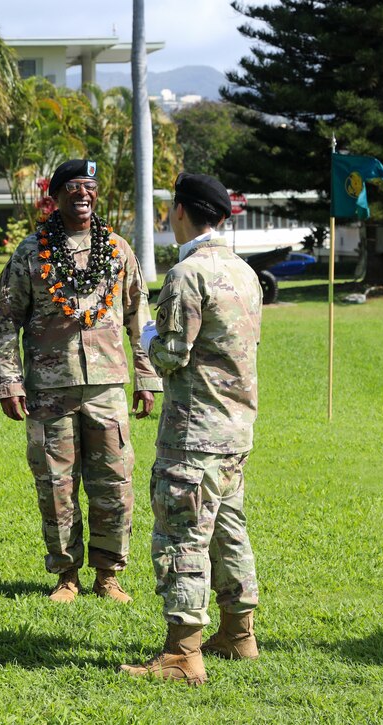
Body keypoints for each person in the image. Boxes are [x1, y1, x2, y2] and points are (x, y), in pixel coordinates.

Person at [0, 159, 162, 603]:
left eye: (90, 187)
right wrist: (8, 382)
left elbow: (139, 317)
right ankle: (66, 575)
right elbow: (7, 320)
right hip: (50, 388)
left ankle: (109, 574)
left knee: (114, 483)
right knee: (55, 485)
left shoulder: (118, 249)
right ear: (55, 196)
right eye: (73, 188)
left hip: (107, 388)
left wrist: (147, 376)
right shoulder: (31, 251)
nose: (83, 195)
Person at [120, 173, 262, 685]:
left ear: (181, 211)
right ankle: (238, 633)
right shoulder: (243, 272)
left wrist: (149, 335)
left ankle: (182, 654)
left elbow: (171, 357)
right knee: (228, 531)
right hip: (234, 429)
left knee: (182, 536)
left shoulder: (188, 275)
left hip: (193, 432)